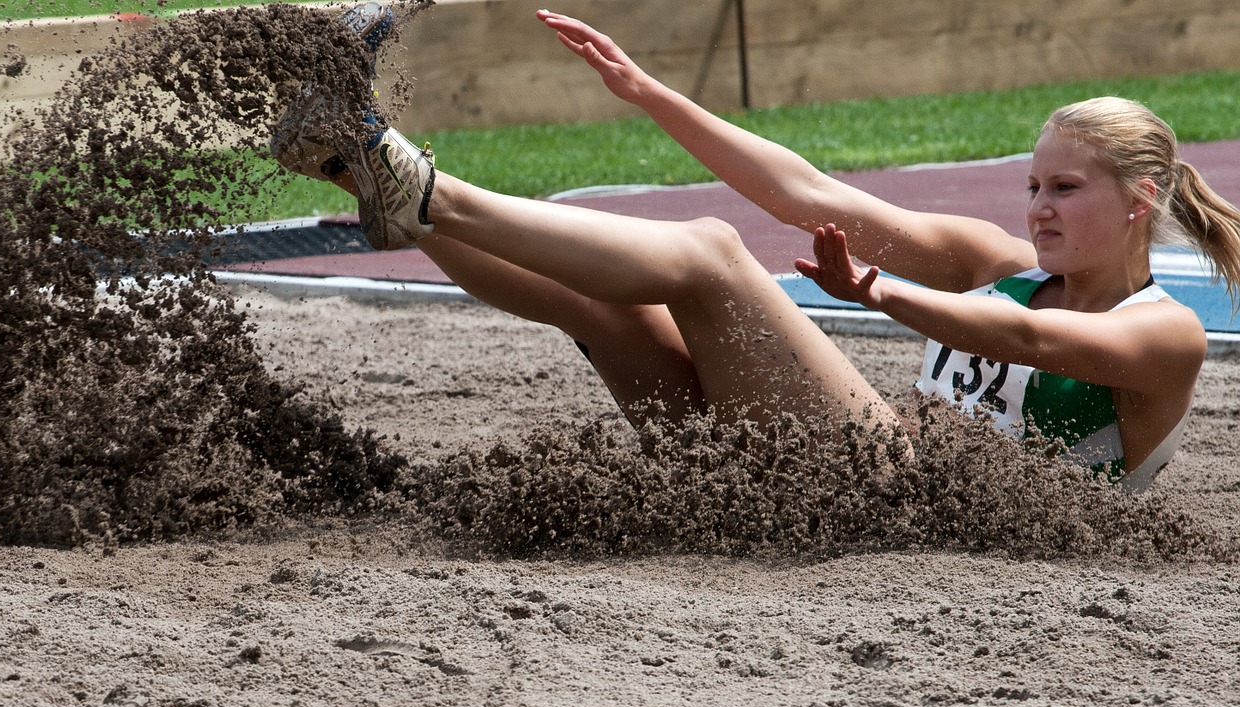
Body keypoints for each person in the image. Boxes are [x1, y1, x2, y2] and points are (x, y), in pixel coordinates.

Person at [272, 6, 1240, 491]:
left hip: (903, 504)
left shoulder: (1164, 338)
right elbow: (805, 191)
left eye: (1063, 188)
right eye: (1032, 185)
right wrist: (647, 94)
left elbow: (1026, 347)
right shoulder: (994, 263)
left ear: (1136, 201)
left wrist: (875, 293)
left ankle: (412, 181)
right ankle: (358, 175)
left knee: (708, 253)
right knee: (603, 301)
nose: (1035, 207)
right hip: (802, 485)